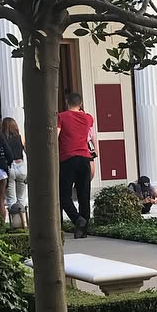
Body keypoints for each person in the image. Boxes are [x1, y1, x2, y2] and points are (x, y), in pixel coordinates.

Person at [57, 91, 96, 238]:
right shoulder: (88, 118)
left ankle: (77, 219)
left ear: (67, 102)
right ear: (80, 104)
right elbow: (90, 133)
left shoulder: (61, 117)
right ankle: (83, 230)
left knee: (64, 195)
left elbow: (56, 135)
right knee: (83, 195)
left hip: (68, 159)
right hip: (85, 158)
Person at [0, 116, 27, 215]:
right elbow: (26, 150)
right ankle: (23, 218)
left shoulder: (2, 139)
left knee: (11, 198)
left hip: (10, 166)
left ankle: (14, 220)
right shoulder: (20, 137)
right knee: (21, 197)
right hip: (21, 165)